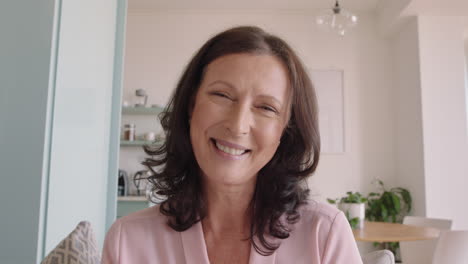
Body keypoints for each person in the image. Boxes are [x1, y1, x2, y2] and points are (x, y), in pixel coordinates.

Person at [102, 26, 362, 264]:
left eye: (266, 107)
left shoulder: (324, 234)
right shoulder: (127, 241)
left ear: (286, 129)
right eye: (222, 95)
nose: (238, 125)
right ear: (192, 105)